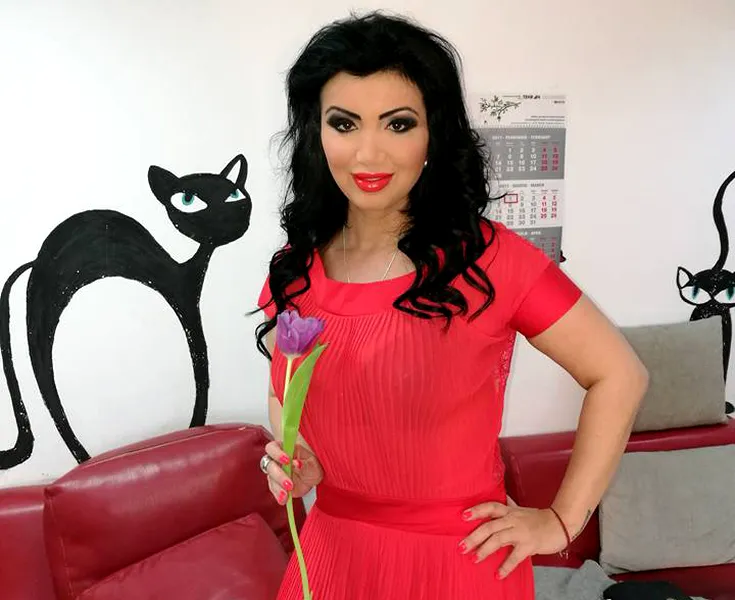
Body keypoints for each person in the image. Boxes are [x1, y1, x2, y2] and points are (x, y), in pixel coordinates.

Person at [255, 10, 648, 600]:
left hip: (457, 561)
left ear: (434, 132)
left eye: (398, 124)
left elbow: (620, 374)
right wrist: (300, 458)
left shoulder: (490, 260)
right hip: (333, 552)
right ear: (317, 132)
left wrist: (562, 520)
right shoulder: (294, 270)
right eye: (344, 123)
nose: (368, 153)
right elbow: (286, 392)